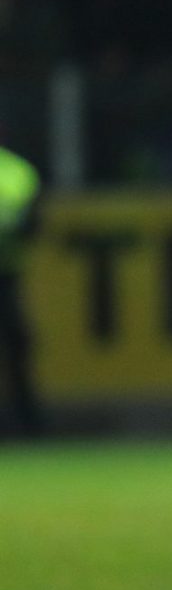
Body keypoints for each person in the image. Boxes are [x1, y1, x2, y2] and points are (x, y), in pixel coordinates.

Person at [0, 145, 41, 438]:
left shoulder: (18, 172)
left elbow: (35, 225)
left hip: (7, 275)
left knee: (17, 347)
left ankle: (28, 423)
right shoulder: (18, 171)